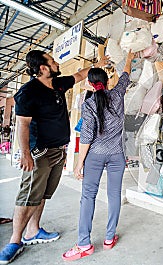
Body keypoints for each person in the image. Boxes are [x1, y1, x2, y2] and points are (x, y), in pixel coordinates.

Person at [0, 50, 109, 265]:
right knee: (29, 194)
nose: (56, 63)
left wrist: (99, 63)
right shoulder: (28, 92)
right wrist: (26, 154)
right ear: (42, 68)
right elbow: (23, 124)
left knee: (44, 194)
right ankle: (14, 241)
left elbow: (79, 75)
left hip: (58, 150)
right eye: (52, 61)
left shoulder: (58, 84)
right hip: (39, 152)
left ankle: (33, 231)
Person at [62, 50, 135, 261]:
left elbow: (86, 137)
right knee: (114, 195)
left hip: (95, 155)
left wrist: (79, 164)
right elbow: (126, 76)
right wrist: (128, 59)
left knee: (88, 197)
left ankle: (84, 244)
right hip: (117, 155)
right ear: (107, 81)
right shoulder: (118, 94)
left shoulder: (89, 105)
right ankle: (109, 238)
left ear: (91, 84)